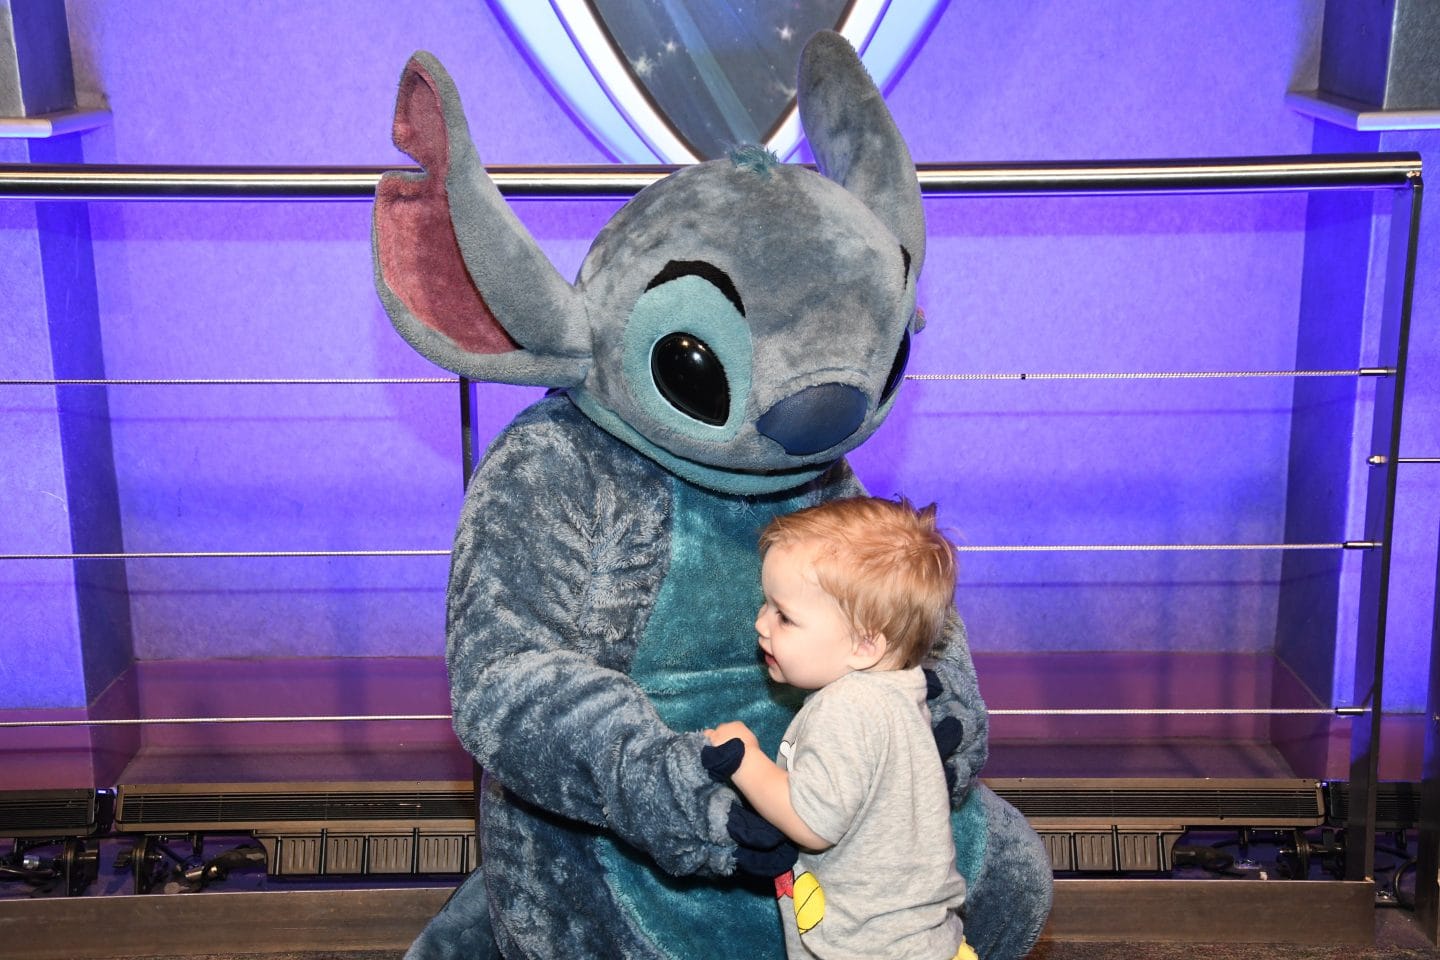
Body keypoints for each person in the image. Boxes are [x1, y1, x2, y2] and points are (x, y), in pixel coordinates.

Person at [704, 496, 977, 960]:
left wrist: (743, 758)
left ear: (865, 644)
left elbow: (812, 822)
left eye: (784, 615)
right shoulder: (900, 692)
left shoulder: (848, 708)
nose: (760, 624)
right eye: (766, 605)